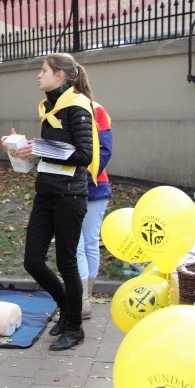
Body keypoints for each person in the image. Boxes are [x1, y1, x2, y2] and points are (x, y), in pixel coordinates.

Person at [1, 52, 97, 351]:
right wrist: (22, 152)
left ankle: (75, 326)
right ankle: (67, 310)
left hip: (70, 195)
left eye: (43, 70)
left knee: (66, 262)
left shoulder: (77, 106)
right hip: (46, 192)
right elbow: (53, 153)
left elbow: (85, 155)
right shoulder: (50, 106)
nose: (38, 75)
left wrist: (39, 147)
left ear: (61, 75)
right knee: (32, 261)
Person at [76, 102, 112, 319]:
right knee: (82, 243)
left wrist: (84, 175)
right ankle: (82, 300)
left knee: (86, 243)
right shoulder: (60, 108)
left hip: (94, 187)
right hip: (76, 185)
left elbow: (105, 149)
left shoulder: (96, 110)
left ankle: (83, 299)